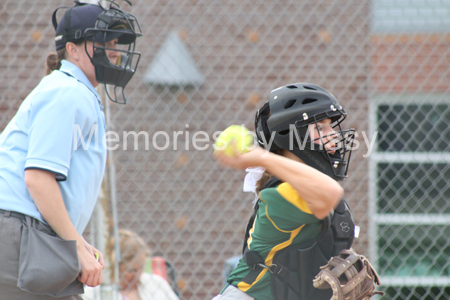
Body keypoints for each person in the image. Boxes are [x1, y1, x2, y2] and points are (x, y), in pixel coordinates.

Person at [0, 1, 142, 299]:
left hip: (27, 232)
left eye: (116, 42)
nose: (114, 50)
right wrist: (75, 246)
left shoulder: (74, 91)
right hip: (15, 232)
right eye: (103, 41)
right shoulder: (68, 93)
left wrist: (77, 241)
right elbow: (37, 179)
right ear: (73, 49)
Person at [212, 83, 357, 300]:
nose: (334, 136)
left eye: (331, 127)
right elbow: (329, 193)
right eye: (322, 127)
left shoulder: (304, 187)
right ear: (291, 136)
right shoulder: (281, 194)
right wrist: (260, 156)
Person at [83, 229, 180, 300]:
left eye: (142, 268)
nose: (138, 275)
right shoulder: (94, 292)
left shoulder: (156, 282)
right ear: (115, 267)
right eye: (132, 270)